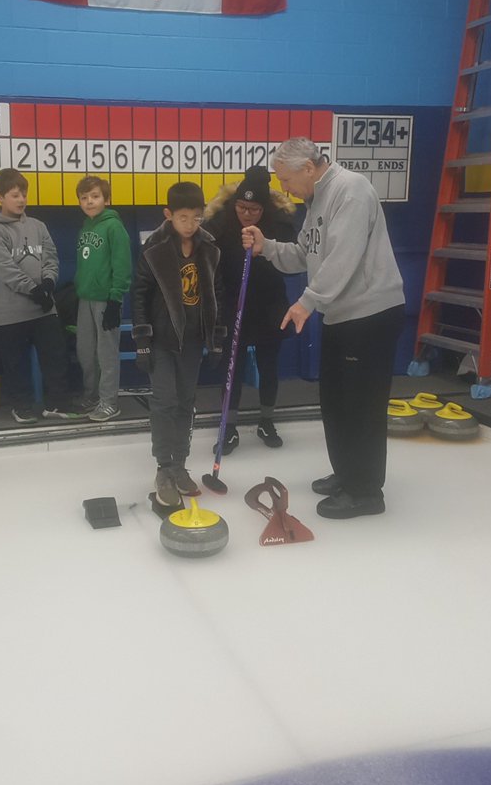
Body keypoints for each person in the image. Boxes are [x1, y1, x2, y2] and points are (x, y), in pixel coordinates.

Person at [242, 138, 405, 519]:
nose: (284, 188)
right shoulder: (315, 201)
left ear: (309, 168)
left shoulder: (351, 190)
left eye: (286, 179)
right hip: (341, 315)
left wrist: (307, 301)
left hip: (370, 316)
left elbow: (343, 258)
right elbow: (305, 254)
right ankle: (348, 473)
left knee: (361, 406)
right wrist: (266, 247)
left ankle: (365, 492)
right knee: (335, 402)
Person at [132, 181, 226, 510]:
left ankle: (179, 465)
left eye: (197, 218)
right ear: (168, 215)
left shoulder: (208, 250)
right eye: (183, 217)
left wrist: (216, 340)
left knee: (186, 402)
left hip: (193, 342)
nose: (190, 224)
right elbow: (140, 295)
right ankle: (163, 469)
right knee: (164, 402)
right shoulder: (154, 250)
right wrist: (142, 342)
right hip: (161, 341)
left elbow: (218, 297)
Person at [203, 165, 302, 453]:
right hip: (233, 302)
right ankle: (229, 427)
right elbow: (206, 257)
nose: (246, 214)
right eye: (242, 207)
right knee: (231, 367)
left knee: (269, 364)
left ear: (265, 207)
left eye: (254, 209)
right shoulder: (220, 221)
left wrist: (263, 252)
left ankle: (267, 420)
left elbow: (293, 264)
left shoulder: (280, 224)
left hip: (269, 302)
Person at [0, 168, 79, 424]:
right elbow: (4, 268)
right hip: (9, 313)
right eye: (15, 195)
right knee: (15, 363)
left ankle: (57, 403)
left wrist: (47, 282)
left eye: (23, 194)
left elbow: (50, 256)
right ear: (0, 197)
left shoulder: (38, 225)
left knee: (56, 356)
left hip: (44, 309)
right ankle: (21, 407)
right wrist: (33, 290)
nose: (21, 199)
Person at [75, 175, 132, 422]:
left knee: (106, 354)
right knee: (86, 351)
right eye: (84, 198)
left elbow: (122, 266)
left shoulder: (114, 227)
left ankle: (109, 402)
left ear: (106, 199)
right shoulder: (86, 226)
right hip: (85, 299)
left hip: (107, 300)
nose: (89, 202)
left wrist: (115, 299)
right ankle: (92, 396)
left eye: (95, 196)